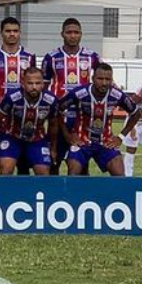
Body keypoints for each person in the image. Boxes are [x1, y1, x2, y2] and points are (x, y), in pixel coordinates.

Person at [56, 63, 140, 176]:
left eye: (108, 79)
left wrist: (120, 137)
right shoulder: (80, 93)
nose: (104, 83)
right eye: (100, 79)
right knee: (73, 173)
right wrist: (67, 135)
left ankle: (115, 194)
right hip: (82, 142)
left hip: (106, 142)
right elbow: (57, 109)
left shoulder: (117, 95)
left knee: (119, 174)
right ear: (93, 78)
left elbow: (136, 113)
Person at [42, 17, 101, 175]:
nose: (73, 35)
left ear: (81, 34)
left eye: (76, 32)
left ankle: (80, 198)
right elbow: (44, 87)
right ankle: (52, 197)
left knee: (80, 163)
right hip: (58, 116)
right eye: (69, 32)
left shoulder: (92, 57)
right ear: (62, 34)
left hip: (82, 117)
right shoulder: (51, 58)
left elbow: (102, 82)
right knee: (53, 160)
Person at [0, 17, 36, 175]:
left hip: (22, 117)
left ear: (20, 33)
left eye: (15, 31)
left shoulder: (29, 57)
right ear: (1, 33)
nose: (12, 34)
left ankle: (21, 198)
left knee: (23, 163)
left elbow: (34, 82)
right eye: (8, 31)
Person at [0, 67, 58, 175]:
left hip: (37, 139)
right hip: (12, 137)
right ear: (23, 83)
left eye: (37, 83)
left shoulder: (51, 100)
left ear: (43, 84)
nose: (34, 87)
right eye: (30, 83)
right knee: (6, 169)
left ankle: (36, 192)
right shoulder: (12, 97)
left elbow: (53, 124)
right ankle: (6, 191)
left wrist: (53, 147)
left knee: (44, 172)